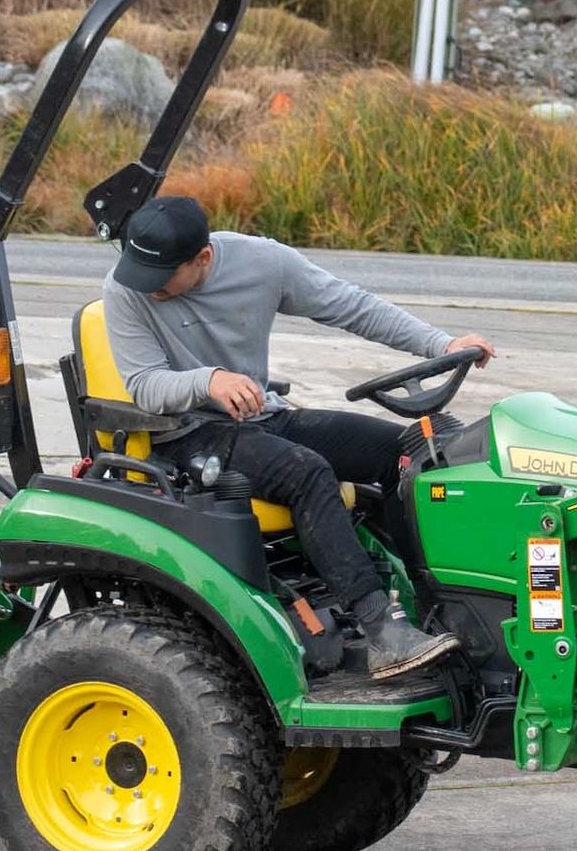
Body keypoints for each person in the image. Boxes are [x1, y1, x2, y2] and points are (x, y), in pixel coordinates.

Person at [102, 196, 496, 680]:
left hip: (260, 416)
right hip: (186, 433)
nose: (148, 286)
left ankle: (437, 607)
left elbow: (352, 306)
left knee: (409, 453)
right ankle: (381, 631)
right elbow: (144, 386)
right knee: (306, 471)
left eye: (161, 275)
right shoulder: (126, 288)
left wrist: (442, 344)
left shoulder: (263, 262)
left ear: (202, 259)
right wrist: (209, 381)